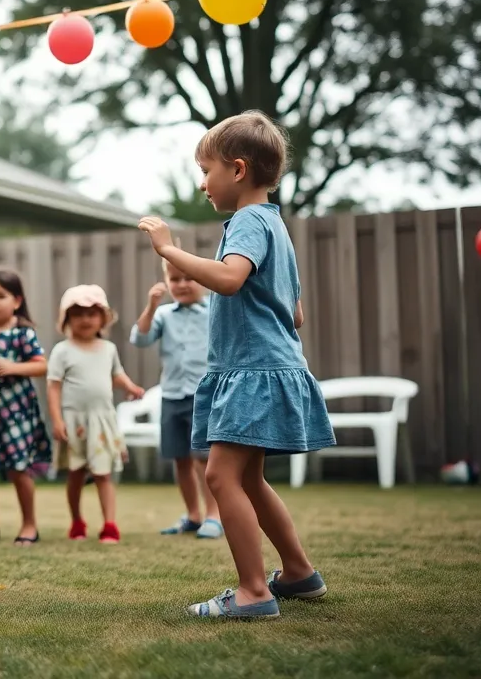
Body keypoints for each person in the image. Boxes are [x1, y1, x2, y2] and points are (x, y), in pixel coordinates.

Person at [138, 110, 333, 620]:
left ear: (238, 170)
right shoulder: (274, 225)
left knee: (221, 477)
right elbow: (297, 311)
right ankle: (297, 573)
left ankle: (252, 592)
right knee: (247, 479)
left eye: (207, 171)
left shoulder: (246, 221)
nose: (203, 184)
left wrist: (169, 250)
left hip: (252, 370)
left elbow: (227, 280)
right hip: (272, 366)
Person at [129, 247, 223, 540]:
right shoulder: (164, 314)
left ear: (202, 280)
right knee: (180, 458)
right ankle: (193, 516)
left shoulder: (215, 310)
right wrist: (151, 305)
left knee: (203, 458)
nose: (181, 284)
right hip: (172, 395)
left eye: (188, 278)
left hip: (204, 394)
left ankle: (213, 516)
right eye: (174, 278)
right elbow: (140, 339)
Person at [47, 284, 145, 544]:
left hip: (102, 419)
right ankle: (77, 521)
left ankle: (110, 525)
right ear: (67, 319)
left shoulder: (108, 349)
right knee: (76, 473)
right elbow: (53, 387)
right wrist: (57, 420)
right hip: (74, 421)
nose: (85, 319)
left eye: (92, 313)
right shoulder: (62, 351)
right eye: (77, 313)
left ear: (103, 318)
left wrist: (130, 386)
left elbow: (117, 374)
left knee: (103, 473)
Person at [0, 268, 51, 547]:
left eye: (1, 295)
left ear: (17, 300)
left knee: (18, 469)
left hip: (17, 412)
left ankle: (29, 525)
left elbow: (42, 365)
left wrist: (12, 367)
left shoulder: (21, 332)